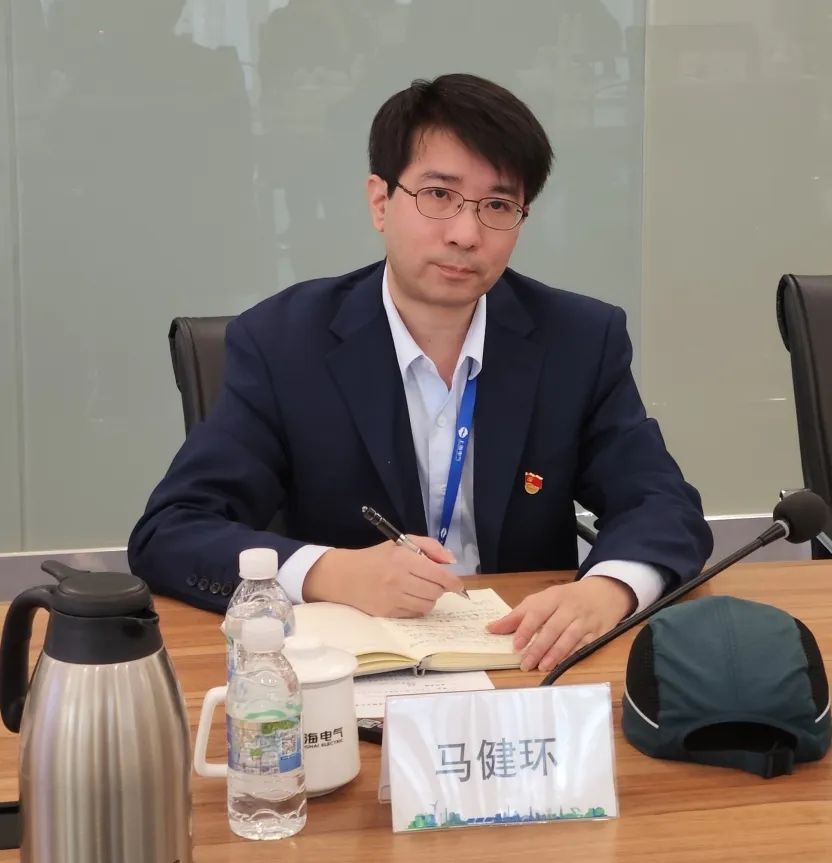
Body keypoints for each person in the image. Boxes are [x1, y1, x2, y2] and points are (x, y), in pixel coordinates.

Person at [128, 74, 712, 673]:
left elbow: (662, 505)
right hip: (354, 667)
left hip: (526, 661)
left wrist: (608, 590)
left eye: (497, 206)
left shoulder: (579, 340)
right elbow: (171, 531)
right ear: (381, 202)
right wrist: (333, 571)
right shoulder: (284, 342)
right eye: (438, 195)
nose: (465, 234)